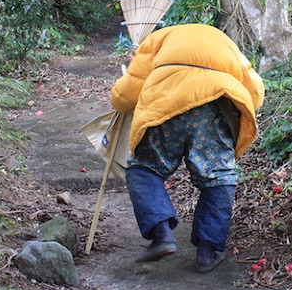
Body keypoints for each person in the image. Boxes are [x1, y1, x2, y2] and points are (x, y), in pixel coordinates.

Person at [110, 23, 265, 273]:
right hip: (214, 109)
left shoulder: (157, 40)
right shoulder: (225, 43)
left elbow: (125, 97)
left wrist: (118, 89)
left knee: (144, 168)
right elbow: (256, 93)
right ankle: (207, 252)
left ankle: (161, 235)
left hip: (165, 105)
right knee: (218, 177)